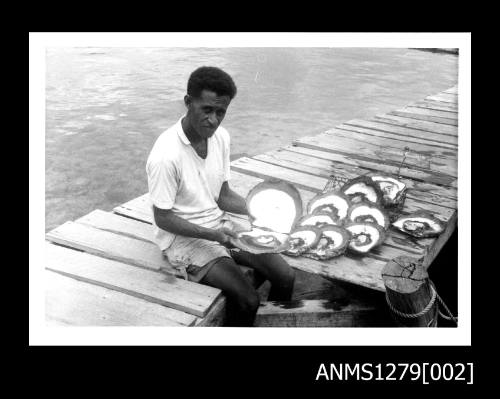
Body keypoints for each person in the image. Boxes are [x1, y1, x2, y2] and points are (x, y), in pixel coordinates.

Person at [146, 66, 295, 326]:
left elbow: (222, 196)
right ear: (188, 103)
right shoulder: (165, 155)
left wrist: (259, 212)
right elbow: (163, 219)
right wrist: (215, 237)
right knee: (248, 299)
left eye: (221, 112)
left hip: (219, 224)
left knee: (286, 276)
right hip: (182, 239)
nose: (213, 120)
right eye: (207, 109)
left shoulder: (220, 137)